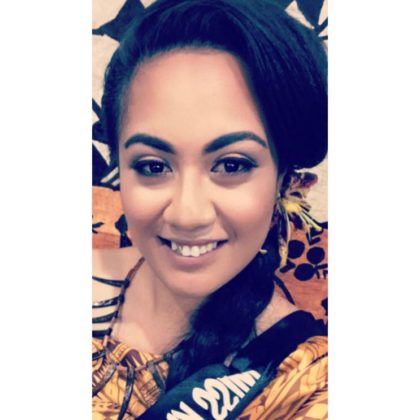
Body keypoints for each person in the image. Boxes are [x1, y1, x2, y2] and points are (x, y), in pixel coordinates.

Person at [92, 0, 328, 418]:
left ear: (284, 178)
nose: (187, 214)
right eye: (153, 166)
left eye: (232, 165)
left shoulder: (306, 383)